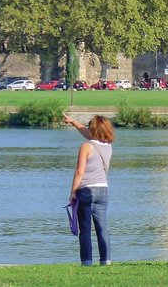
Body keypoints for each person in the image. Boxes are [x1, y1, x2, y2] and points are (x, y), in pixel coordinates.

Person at [64, 114, 114, 266]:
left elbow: (79, 172)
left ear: (93, 129)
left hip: (86, 190)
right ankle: (106, 261)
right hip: (103, 191)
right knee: (102, 227)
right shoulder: (107, 146)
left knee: (85, 229)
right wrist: (74, 122)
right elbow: (87, 133)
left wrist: (73, 192)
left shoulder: (86, 147)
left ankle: (86, 262)